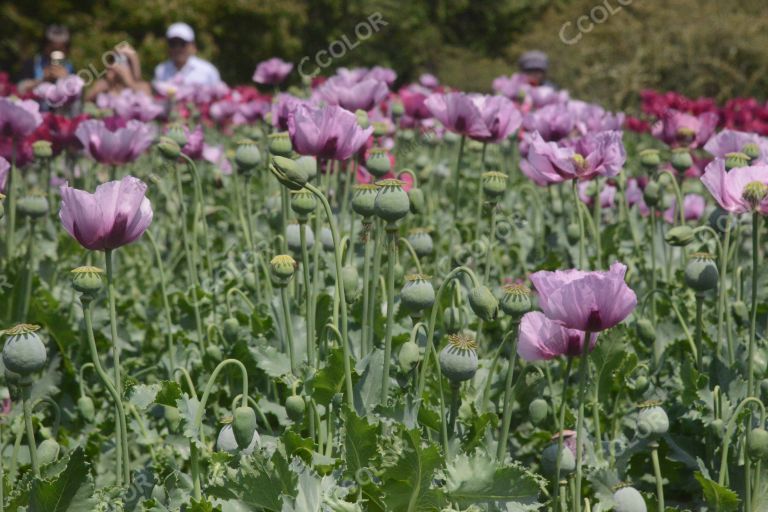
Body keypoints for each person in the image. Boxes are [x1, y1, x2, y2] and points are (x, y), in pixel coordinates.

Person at [153, 22, 221, 87]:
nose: (177, 48)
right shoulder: (161, 71)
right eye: (173, 44)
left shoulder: (207, 71)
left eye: (182, 43)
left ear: (192, 45)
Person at [17, 25, 75, 94]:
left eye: (60, 48)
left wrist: (67, 79)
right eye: (53, 48)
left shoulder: (69, 67)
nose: (56, 52)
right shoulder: (32, 63)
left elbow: (77, 97)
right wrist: (43, 80)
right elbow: (19, 89)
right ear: (45, 45)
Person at [85, 43, 151, 101]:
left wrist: (129, 82)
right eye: (113, 59)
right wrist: (96, 91)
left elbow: (148, 103)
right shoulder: (103, 85)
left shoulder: (142, 86)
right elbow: (84, 102)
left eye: (123, 60)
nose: (116, 65)